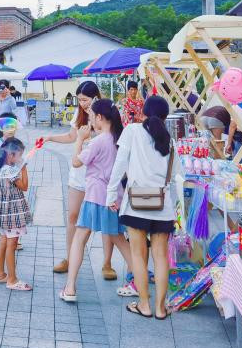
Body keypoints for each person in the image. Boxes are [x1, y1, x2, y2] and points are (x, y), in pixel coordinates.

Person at [106, 95, 176, 320]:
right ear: (165, 118)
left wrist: (110, 193)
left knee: (138, 254)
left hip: (136, 203)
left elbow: (120, 163)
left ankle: (144, 304)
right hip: (162, 205)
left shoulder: (132, 131)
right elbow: (176, 176)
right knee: (161, 256)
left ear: (143, 112)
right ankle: (161, 308)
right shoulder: (169, 140)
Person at [41, 81, 117, 280]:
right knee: (73, 217)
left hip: (100, 176)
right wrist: (49, 138)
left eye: (85, 100)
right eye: (80, 100)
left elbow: (112, 138)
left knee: (105, 220)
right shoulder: (79, 114)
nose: (82, 104)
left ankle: (107, 263)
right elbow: (71, 137)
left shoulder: (106, 113)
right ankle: (69, 257)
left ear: (96, 97)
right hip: (79, 172)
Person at [60, 100, 133, 302]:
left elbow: (76, 162)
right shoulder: (118, 139)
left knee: (79, 238)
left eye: (92, 116)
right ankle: (138, 279)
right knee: (119, 238)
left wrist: (80, 139)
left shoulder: (99, 141)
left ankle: (70, 287)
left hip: (94, 196)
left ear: (100, 118)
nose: (90, 119)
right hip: (113, 197)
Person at [0, 137, 32, 291]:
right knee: (12, 244)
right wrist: (24, 168)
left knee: (3, 241)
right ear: (10, 155)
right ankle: (12, 280)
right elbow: (24, 186)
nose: (21, 158)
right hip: (12, 215)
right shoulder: (10, 170)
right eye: (19, 155)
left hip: (3, 214)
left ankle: (0, 274)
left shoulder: (3, 167)